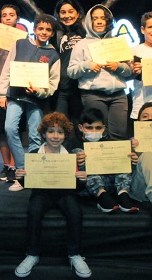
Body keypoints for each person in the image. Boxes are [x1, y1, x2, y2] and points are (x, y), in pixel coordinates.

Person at [8, 0, 140, 128]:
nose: (67, 15)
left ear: (78, 13)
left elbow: (105, 7)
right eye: (63, 12)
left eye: (71, 11)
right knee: (59, 123)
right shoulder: (56, 31)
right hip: (61, 87)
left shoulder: (85, 28)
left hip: (81, 85)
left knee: (81, 124)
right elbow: (37, 13)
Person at [13, 112, 91, 278]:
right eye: (51, 131)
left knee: (76, 212)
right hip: (42, 193)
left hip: (64, 193)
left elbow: (76, 186)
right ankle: (32, 254)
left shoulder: (71, 156)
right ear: (43, 134)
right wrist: (20, 177)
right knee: (33, 211)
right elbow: (28, 183)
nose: (55, 136)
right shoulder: (34, 154)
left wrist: (82, 179)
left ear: (65, 135)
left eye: (60, 132)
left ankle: (74, 254)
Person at [0, 14, 61, 192]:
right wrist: (2, 93)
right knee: (10, 129)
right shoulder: (20, 44)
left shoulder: (53, 54)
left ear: (52, 32)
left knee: (35, 136)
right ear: (34, 29)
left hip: (36, 100)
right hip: (15, 96)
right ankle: (21, 170)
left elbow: (52, 83)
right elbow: (8, 69)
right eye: (40, 28)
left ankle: (30, 174)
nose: (44, 32)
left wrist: (40, 92)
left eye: (48, 30)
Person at [67, 4, 133, 140]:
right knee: (97, 136)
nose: (99, 21)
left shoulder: (118, 42)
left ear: (108, 21)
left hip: (118, 96)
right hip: (93, 95)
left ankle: (116, 162)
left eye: (103, 18)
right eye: (95, 18)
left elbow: (129, 71)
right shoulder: (82, 44)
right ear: (89, 22)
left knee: (119, 134)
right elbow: (71, 72)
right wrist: (87, 65)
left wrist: (118, 66)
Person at [66, 108, 138, 213]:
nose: (94, 131)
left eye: (98, 128)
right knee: (79, 152)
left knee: (120, 153)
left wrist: (130, 159)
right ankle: (102, 196)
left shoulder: (109, 143)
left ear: (103, 128)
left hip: (110, 185)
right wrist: (73, 160)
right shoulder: (72, 143)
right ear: (81, 127)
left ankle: (123, 194)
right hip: (86, 188)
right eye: (89, 128)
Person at [0, 4, 27, 183]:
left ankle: (16, 165)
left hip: (18, 89)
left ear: (17, 18)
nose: (8, 18)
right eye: (4, 15)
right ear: (1, 19)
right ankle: (7, 166)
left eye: (12, 15)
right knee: (0, 128)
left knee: (14, 128)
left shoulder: (25, 40)